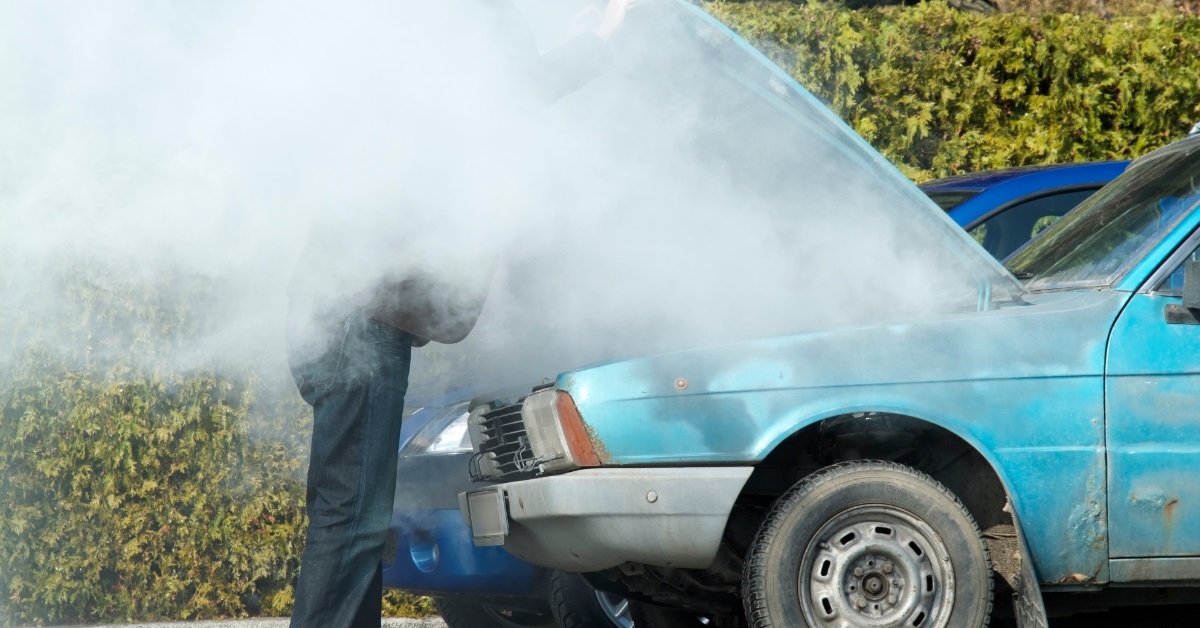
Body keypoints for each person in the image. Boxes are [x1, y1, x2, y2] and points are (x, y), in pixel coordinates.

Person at [284, 2, 632, 627]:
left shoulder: (408, 93)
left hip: (347, 324)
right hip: (355, 328)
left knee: (353, 519)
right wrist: (598, 42)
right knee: (351, 521)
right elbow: (512, 94)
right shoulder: (433, 96)